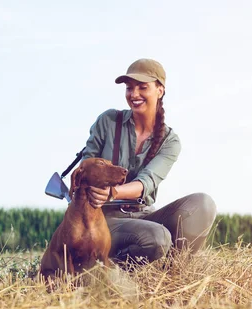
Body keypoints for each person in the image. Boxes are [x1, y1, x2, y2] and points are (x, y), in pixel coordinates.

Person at [81, 58, 217, 264]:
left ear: (160, 90)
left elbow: (147, 182)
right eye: (129, 88)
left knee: (204, 204)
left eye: (142, 87)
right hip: (103, 217)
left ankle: (171, 273)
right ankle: (108, 271)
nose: (134, 95)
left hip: (144, 216)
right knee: (157, 237)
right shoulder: (108, 121)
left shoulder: (170, 141)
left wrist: (112, 192)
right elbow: (86, 167)